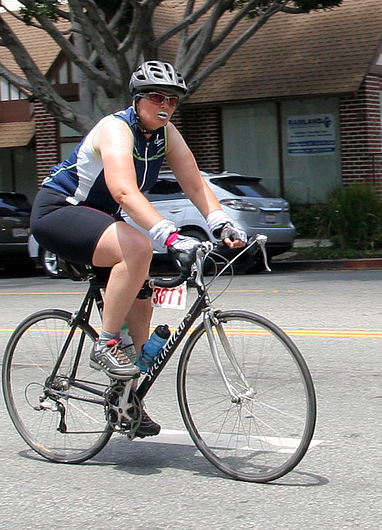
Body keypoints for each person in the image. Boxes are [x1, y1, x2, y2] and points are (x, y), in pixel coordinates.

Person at [30, 60, 247, 437]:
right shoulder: (116, 129)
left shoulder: (165, 133)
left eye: (173, 101)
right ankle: (106, 342)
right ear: (138, 99)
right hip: (60, 213)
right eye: (157, 98)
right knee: (138, 245)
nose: (165, 105)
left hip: (102, 225)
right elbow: (123, 191)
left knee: (143, 302)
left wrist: (220, 221)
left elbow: (195, 184)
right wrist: (171, 236)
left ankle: (126, 401)